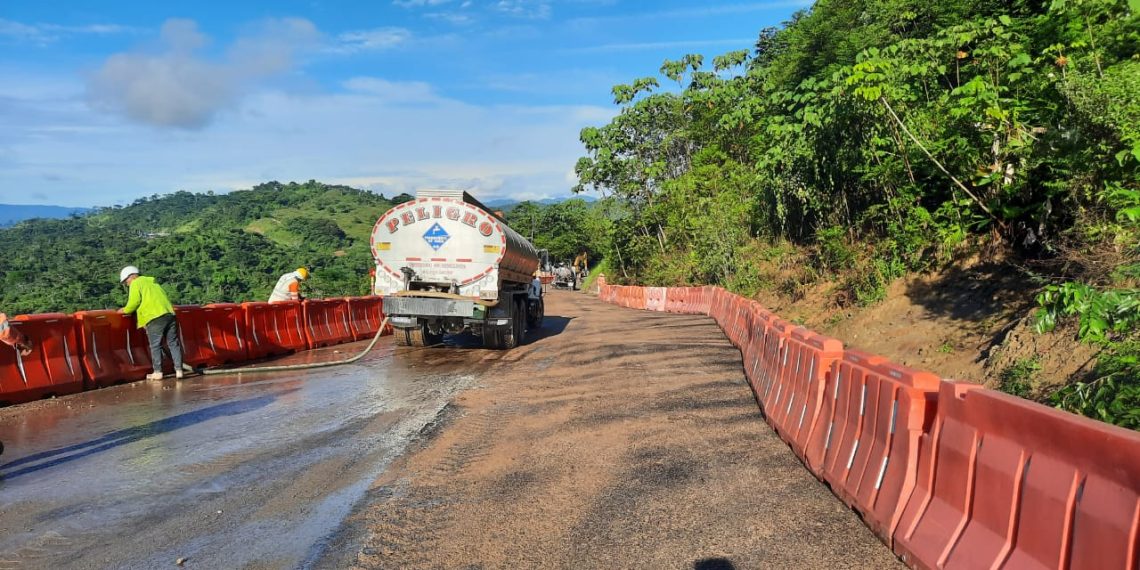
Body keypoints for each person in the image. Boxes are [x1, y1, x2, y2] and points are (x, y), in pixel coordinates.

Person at [119, 265, 190, 380]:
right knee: (173, 343)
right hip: (169, 314)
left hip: (154, 317)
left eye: (126, 281)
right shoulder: (153, 282)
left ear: (131, 277)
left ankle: (157, 372)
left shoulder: (136, 283)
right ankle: (179, 370)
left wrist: (125, 310)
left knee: (155, 345)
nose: (126, 284)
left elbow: (134, 302)